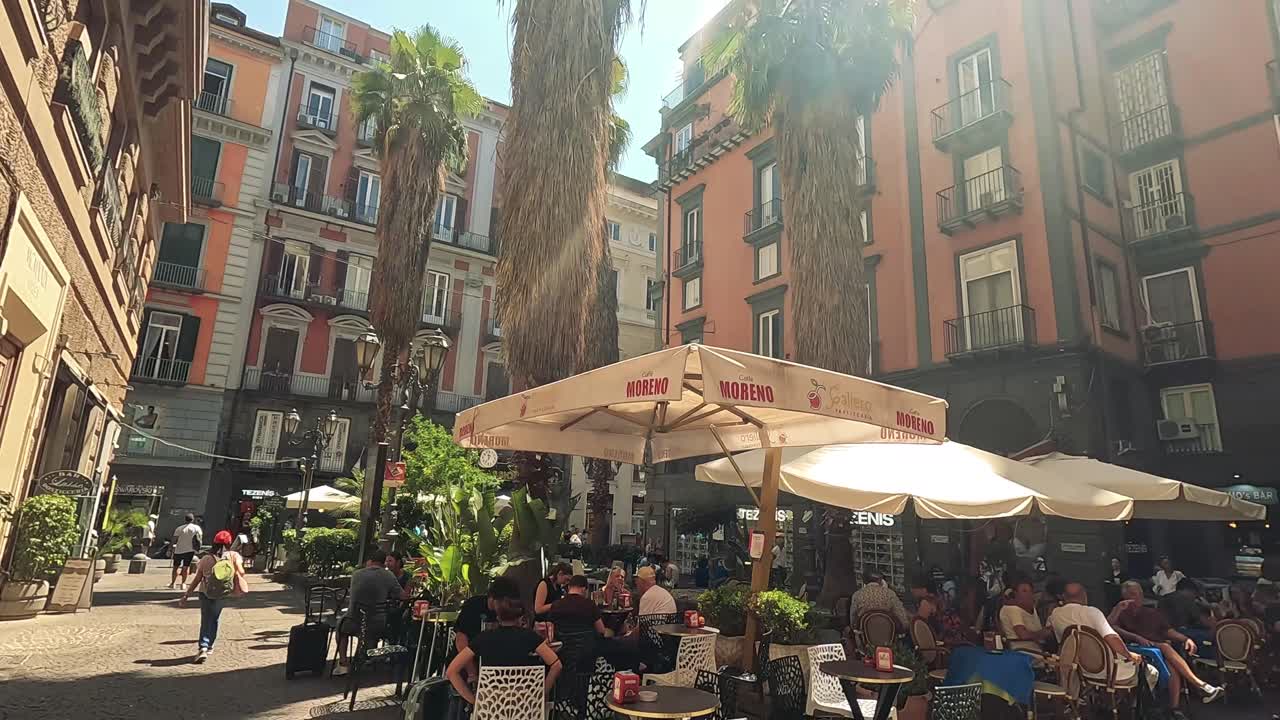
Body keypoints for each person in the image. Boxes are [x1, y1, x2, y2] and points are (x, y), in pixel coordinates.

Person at [1109, 580, 1223, 709]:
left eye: (1140, 593)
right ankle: (1201, 685)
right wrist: (1134, 634)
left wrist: (1185, 639)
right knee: (1165, 647)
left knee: (1172, 666)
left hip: (1154, 648)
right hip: (1133, 649)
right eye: (1133, 594)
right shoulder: (1119, 612)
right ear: (1125, 596)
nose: (1138, 597)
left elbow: (1167, 630)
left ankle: (1174, 708)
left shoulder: (1150, 612)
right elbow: (1110, 627)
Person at [446, 595, 562, 706]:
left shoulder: (483, 638)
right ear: (521, 618)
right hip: (524, 704)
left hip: (491, 706)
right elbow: (556, 665)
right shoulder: (530, 637)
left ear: (498, 617)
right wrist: (541, 694)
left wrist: (474, 701)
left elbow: (451, 672)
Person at [1048, 582, 1158, 690]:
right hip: (1111, 672)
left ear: (1064, 596)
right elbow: (1112, 637)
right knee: (1151, 672)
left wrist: (1117, 609)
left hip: (1082, 671)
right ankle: (1134, 701)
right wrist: (1129, 655)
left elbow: (1103, 625)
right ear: (1084, 595)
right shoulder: (1092, 612)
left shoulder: (1056, 615)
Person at [335, 549, 407, 675]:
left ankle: (343, 663)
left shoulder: (356, 574)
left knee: (341, 627)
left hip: (353, 622)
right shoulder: (388, 576)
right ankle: (364, 657)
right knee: (372, 629)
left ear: (369, 561)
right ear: (383, 562)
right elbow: (402, 596)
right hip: (377, 624)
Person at [178, 530, 246, 663]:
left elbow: (197, 579)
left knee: (205, 619)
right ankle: (210, 645)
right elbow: (241, 572)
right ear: (229, 543)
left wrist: (186, 595)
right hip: (222, 593)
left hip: (205, 592)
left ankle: (203, 647)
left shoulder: (206, 558)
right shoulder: (234, 556)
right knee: (215, 618)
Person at [1159, 578, 1216, 652]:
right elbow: (1204, 622)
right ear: (1190, 590)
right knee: (1212, 636)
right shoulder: (1186, 600)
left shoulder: (1164, 598)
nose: (1195, 597)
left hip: (1164, 631)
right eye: (1195, 594)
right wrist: (1209, 607)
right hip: (1178, 632)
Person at [1000, 579, 1054, 651]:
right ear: (1015, 593)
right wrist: (1042, 633)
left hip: (1038, 649)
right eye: (1024, 591)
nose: (1029, 594)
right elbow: (1023, 635)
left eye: (1030, 591)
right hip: (1023, 650)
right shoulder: (1012, 609)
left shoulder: (1032, 608)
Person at [169, 513, 203, 589]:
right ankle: (183, 584)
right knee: (186, 567)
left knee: (175, 567)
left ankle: (173, 583)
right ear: (192, 520)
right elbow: (200, 538)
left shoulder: (179, 528)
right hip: (190, 550)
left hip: (179, 550)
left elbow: (174, 539)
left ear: (185, 519)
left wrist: (170, 548)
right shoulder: (197, 528)